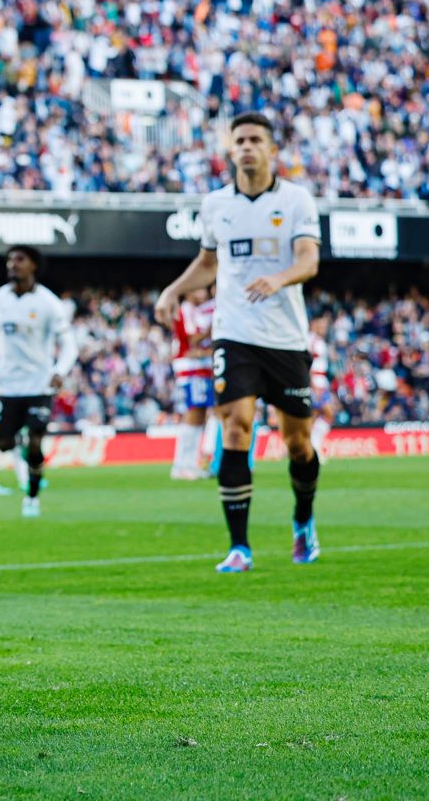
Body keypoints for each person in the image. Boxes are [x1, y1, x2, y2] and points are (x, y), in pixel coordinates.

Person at [155, 113, 323, 573]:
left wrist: (279, 278)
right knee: (235, 428)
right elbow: (208, 263)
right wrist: (174, 289)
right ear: (230, 150)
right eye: (240, 140)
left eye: (256, 140)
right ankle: (239, 547)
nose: (247, 147)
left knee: (298, 444)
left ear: (273, 150)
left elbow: (309, 260)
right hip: (235, 334)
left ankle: (303, 520)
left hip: (286, 337)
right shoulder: (215, 205)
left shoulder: (295, 200)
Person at [0, 246, 75, 517]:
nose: (12, 264)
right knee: (5, 442)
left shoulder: (49, 303)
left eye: (19, 260)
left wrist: (60, 370)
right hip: (9, 385)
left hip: (39, 384)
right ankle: (18, 434)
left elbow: (69, 345)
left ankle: (31, 497)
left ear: (33, 266)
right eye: (9, 260)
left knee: (35, 441)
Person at [169, 288, 216, 481]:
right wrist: (210, 331)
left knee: (200, 415)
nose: (203, 292)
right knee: (193, 414)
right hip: (190, 369)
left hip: (201, 368)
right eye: (198, 289)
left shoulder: (198, 311)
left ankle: (189, 463)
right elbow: (190, 339)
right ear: (188, 293)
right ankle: (182, 465)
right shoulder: (186, 309)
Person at [308, 312, 337, 459]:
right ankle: (313, 447)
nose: (324, 328)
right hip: (316, 385)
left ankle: (313, 448)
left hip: (322, 383)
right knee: (327, 414)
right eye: (321, 325)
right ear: (314, 324)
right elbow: (308, 365)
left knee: (316, 417)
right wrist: (313, 385)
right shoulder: (311, 340)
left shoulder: (319, 340)